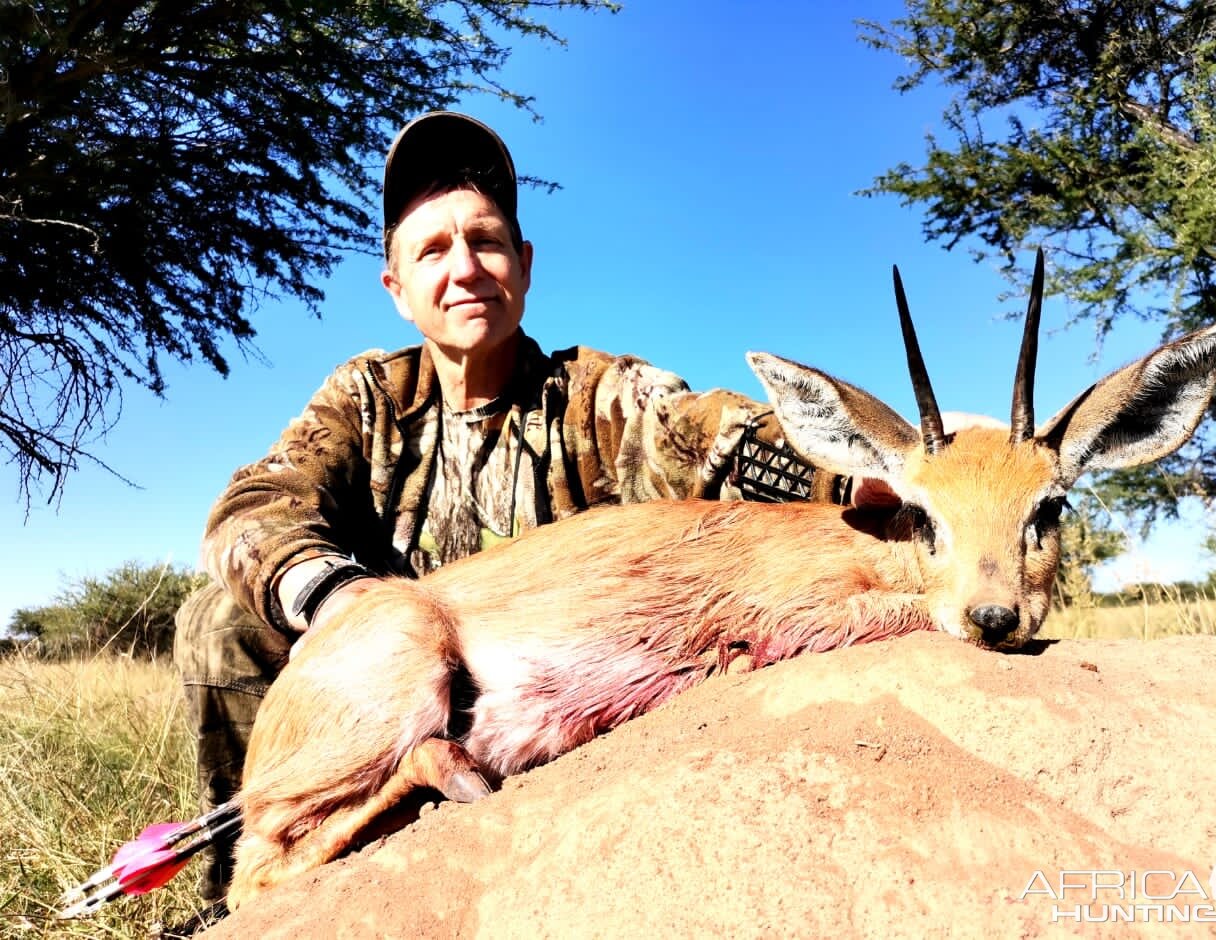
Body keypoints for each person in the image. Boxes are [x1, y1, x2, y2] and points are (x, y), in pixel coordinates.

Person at [174, 111, 846, 901]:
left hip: (534, 707)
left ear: (523, 265)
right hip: (378, 688)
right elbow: (253, 508)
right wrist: (341, 601)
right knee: (215, 623)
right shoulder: (365, 397)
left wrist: (880, 467)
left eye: (486, 241)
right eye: (431, 250)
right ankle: (246, 895)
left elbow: (713, 435)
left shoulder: (594, 394)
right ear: (396, 289)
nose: (464, 267)